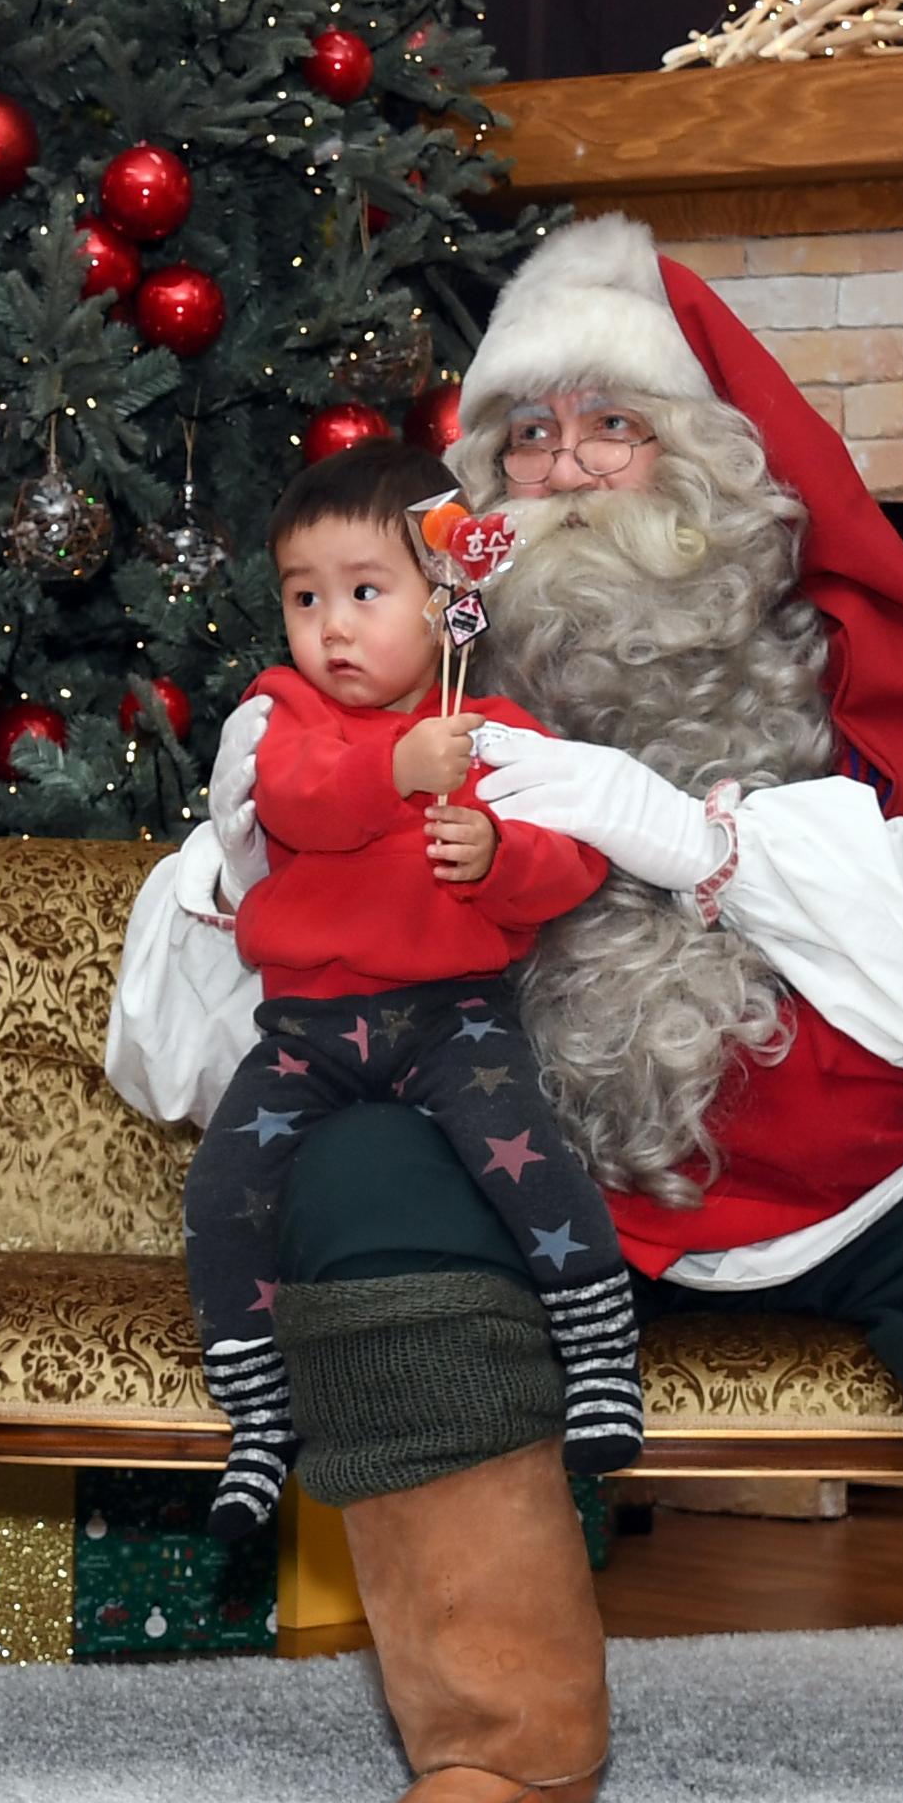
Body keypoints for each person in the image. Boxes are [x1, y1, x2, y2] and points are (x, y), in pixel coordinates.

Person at [108, 215, 903, 1803]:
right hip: (510, 1172)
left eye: (608, 427)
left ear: (711, 466)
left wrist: (694, 839)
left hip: (845, 1185)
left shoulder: (877, 689)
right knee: (345, 1175)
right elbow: (164, 1058)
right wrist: (253, 851)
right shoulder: (360, 701)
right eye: (526, 439)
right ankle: (502, 1743)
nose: (564, 472)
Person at [184, 441, 629, 1548]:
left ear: (447, 607)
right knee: (224, 1189)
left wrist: (493, 854)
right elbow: (296, 805)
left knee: (525, 1160)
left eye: (365, 592)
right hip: (311, 1027)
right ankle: (258, 1417)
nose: (330, 625)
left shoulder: (499, 730)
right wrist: (395, 770)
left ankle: (602, 1355)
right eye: (304, 596)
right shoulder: (285, 714)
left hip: (453, 1012)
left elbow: (570, 863)